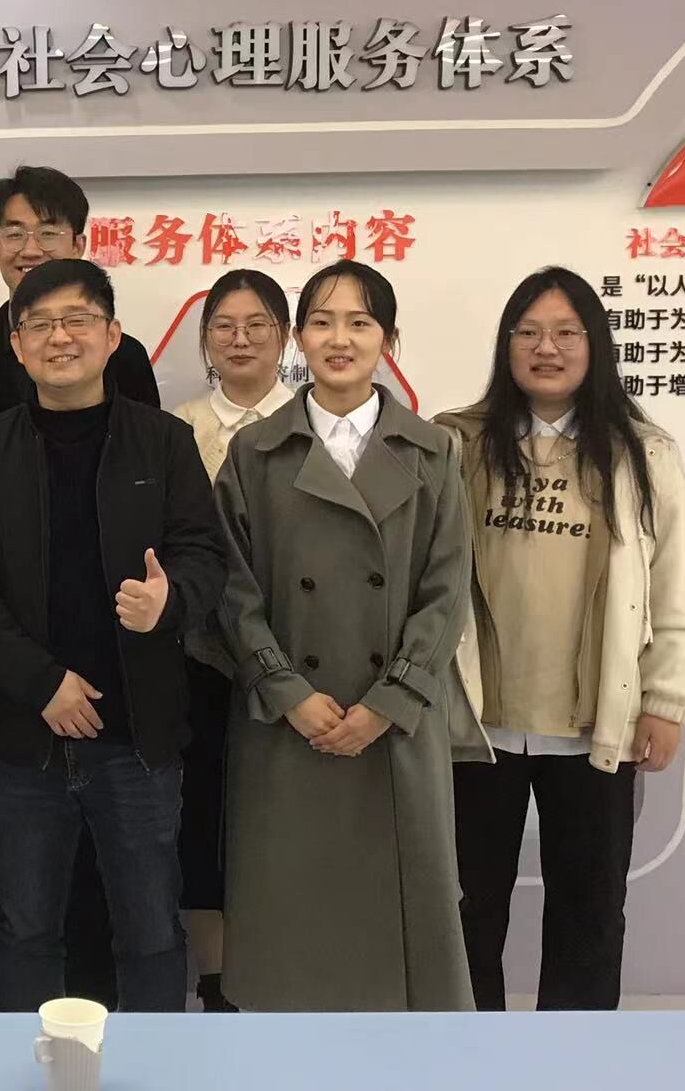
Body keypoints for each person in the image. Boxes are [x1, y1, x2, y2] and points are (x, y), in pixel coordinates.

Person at [0, 259, 227, 1014]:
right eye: (39, 324)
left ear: (112, 335)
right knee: (25, 928)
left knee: (151, 929)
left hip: (137, 735)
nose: (59, 337)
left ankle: (154, 1063)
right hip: (24, 734)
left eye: (78, 320)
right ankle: (25, 1060)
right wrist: (43, 684)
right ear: (16, 344)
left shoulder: (164, 442)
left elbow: (204, 555)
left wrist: (168, 602)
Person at [202, 258, 487, 1012]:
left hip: (394, 728)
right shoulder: (255, 453)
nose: (340, 339)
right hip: (286, 725)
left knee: (400, 963)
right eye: (323, 322)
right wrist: (287, 690)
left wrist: (388, 703)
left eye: (360, 323)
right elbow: (233, 592)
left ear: (388, 339)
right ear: (298, 337)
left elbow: (447, 591)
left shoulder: (433, 451)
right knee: (290, 947)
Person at [433, 267, 685, 1011]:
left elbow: (677, 587)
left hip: (594, 726)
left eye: (564, 332)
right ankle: (467, 1053)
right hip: (475, 727)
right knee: (465, 913)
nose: (545, 348)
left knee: (589, 914)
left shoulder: (643, 453)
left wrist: (667, 699)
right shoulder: (455, 443)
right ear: (506, 346)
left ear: (596, 345)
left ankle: (574, 1059)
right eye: (527, 332)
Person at [0, 165, 159, 1011]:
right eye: (14, 233)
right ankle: (4, 1009)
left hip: (110, 648)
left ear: (80, 242)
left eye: (49, 231)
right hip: (1, 661)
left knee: (113, 847)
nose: (31, 247)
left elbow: (147, 509)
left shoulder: (123, 357)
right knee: (6, 844)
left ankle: (96, 1008)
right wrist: (13, 663)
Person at [169, 270, 295, 1014]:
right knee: (205, 822)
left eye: (257, 324)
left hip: (300, 664)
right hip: (198, 662)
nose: (240, 339)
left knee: (285, 821)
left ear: (285, 336)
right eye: (224, 325)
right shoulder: (175, 429)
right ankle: (217, 984)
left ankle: (286, 975)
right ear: (205, 338)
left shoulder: (315, 424)